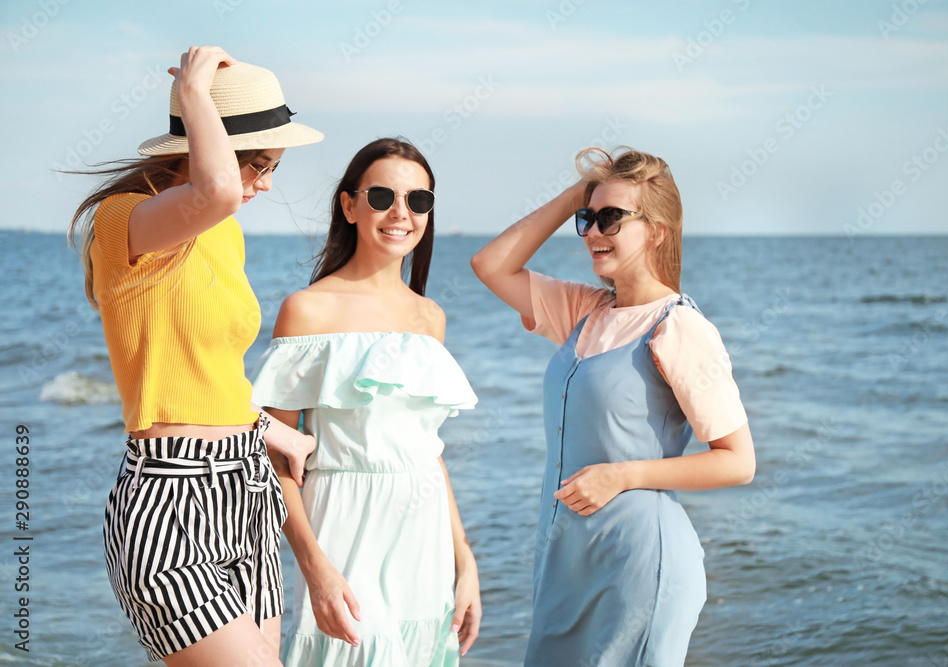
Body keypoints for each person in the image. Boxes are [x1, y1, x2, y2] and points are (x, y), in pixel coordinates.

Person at [68, 47, 323, 665]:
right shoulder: (121, 220)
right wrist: (194, 91)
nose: (263, 185)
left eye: (273, 168)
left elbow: (205, 368)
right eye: (257, 165)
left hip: (248, 492)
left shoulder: (220, 228)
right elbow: (217, 190)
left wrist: (263, 428)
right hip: (173, 502)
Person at [471, 147, 756, 666]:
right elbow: (490, 264)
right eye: (588, 219)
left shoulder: (679, 326)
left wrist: (622, 475)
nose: (593, 232)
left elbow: (738, 461)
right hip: (565, 561)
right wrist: (573, 198)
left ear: (658, 231)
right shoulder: (585, 310)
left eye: (611, 218)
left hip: (638, 562)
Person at [250, 137, 482, 665]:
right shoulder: (307, 311)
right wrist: (314, 567)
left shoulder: (429, 318)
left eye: (418, 201)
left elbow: (427, 452)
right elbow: (272, 457)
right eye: (382, 196)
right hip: (344, 529)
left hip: (424, 539)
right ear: (350, 205)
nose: (401, 213)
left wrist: (463, 561)